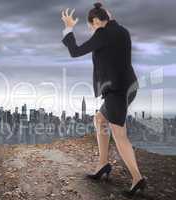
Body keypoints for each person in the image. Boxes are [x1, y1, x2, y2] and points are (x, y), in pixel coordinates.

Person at [61, 2, 146, 197]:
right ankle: (103, 164)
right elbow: (110, 26)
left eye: (92, 25)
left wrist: (69, 28)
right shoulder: (122, 31)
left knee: (119, 133)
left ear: (98, 21)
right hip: (128, 87)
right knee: (100, 119)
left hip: (116, 91)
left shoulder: (103, 34)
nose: (92, 30)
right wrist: (106, 15)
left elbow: (75, 51)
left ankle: (137, 178)